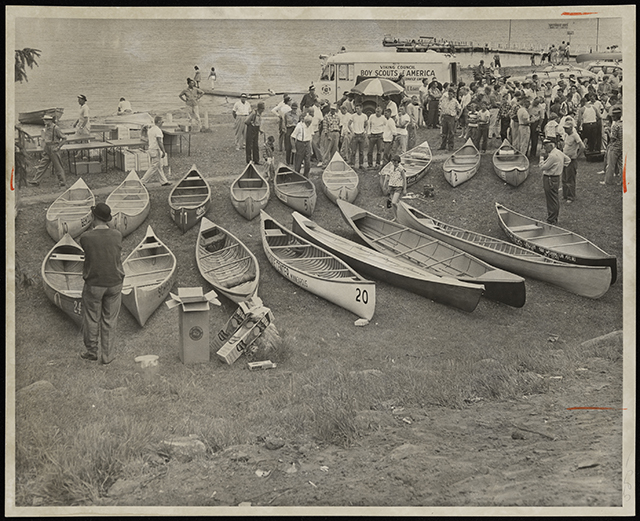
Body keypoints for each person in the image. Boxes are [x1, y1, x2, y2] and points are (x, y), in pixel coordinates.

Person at [79, 203, 125, 364]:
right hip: (114, 282)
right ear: (107, 219)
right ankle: (107, 356)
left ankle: (92, 351)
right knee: (109, 320)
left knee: (92, 318)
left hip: (94, 284)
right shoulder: (117, 235)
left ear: (94, 217)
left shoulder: (85, 237)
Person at [28, 114, 67, 187]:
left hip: (54, 148)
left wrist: (58, 147)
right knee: (42, 164)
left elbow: (64, 138)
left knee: (58, 166)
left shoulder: (56, 128)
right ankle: (36, 180)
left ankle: (62, 181)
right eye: (44, 120)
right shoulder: (46, 127)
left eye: (46, 120)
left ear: (50, 120)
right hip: (47, 148)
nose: (44, 121)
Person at [539, 139, 571, 225]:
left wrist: (541, 158)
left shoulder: (553, 156)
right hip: (556, 177)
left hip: (549, 178)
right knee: (554, 198)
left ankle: (551, 219)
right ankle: (554, 218)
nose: (545, 149)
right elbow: (568, 160)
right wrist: (559, 167)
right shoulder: (559, 152)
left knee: (551, 200)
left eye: (546, 147)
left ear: (551, 145)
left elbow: (542, 167)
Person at [559, 117, 585, 203]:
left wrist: (576, 156)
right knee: (564, 178)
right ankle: (565, 194)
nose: (565, 130)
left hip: (571, 159)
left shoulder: (575, 135)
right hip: (565, 159)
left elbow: (582, 146)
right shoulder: (566, 134)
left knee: (570, 178)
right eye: (564, 128)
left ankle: (570, 196)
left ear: (571, 128)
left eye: (566, 128)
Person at [141, 116, 171, 186]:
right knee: (154, 167)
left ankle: (164, 181)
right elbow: (159, 142)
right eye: (162, 122)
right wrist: (163, 151)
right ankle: (142, 181)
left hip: (151, 149)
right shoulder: (158, 130)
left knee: (159, 166)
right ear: (159, 122)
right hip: (156, 150)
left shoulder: (151, 129)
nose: (162, 123)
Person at [602, 106, 622, 185]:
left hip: (614, 146)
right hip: (621, 146)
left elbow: (613, 138)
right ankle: (622, 180)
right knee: (621, 164)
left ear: (614, 116)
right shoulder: (622, 124)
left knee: (610, 164)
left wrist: (607, 132)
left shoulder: (615, 125)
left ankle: (608, 181)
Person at [349, 104, 368, 169]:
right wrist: (352, 132)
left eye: (358, 108)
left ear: (361, 109)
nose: (357, 110)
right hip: (355, 135)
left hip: (361, 134)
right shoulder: (353, 116)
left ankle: (361, 164)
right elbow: (349, 124)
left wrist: (365, 132)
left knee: (361, 151)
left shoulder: (364, 116)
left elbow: (366, 125)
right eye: (356, 108)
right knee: (353, 151)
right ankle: (352, 164)